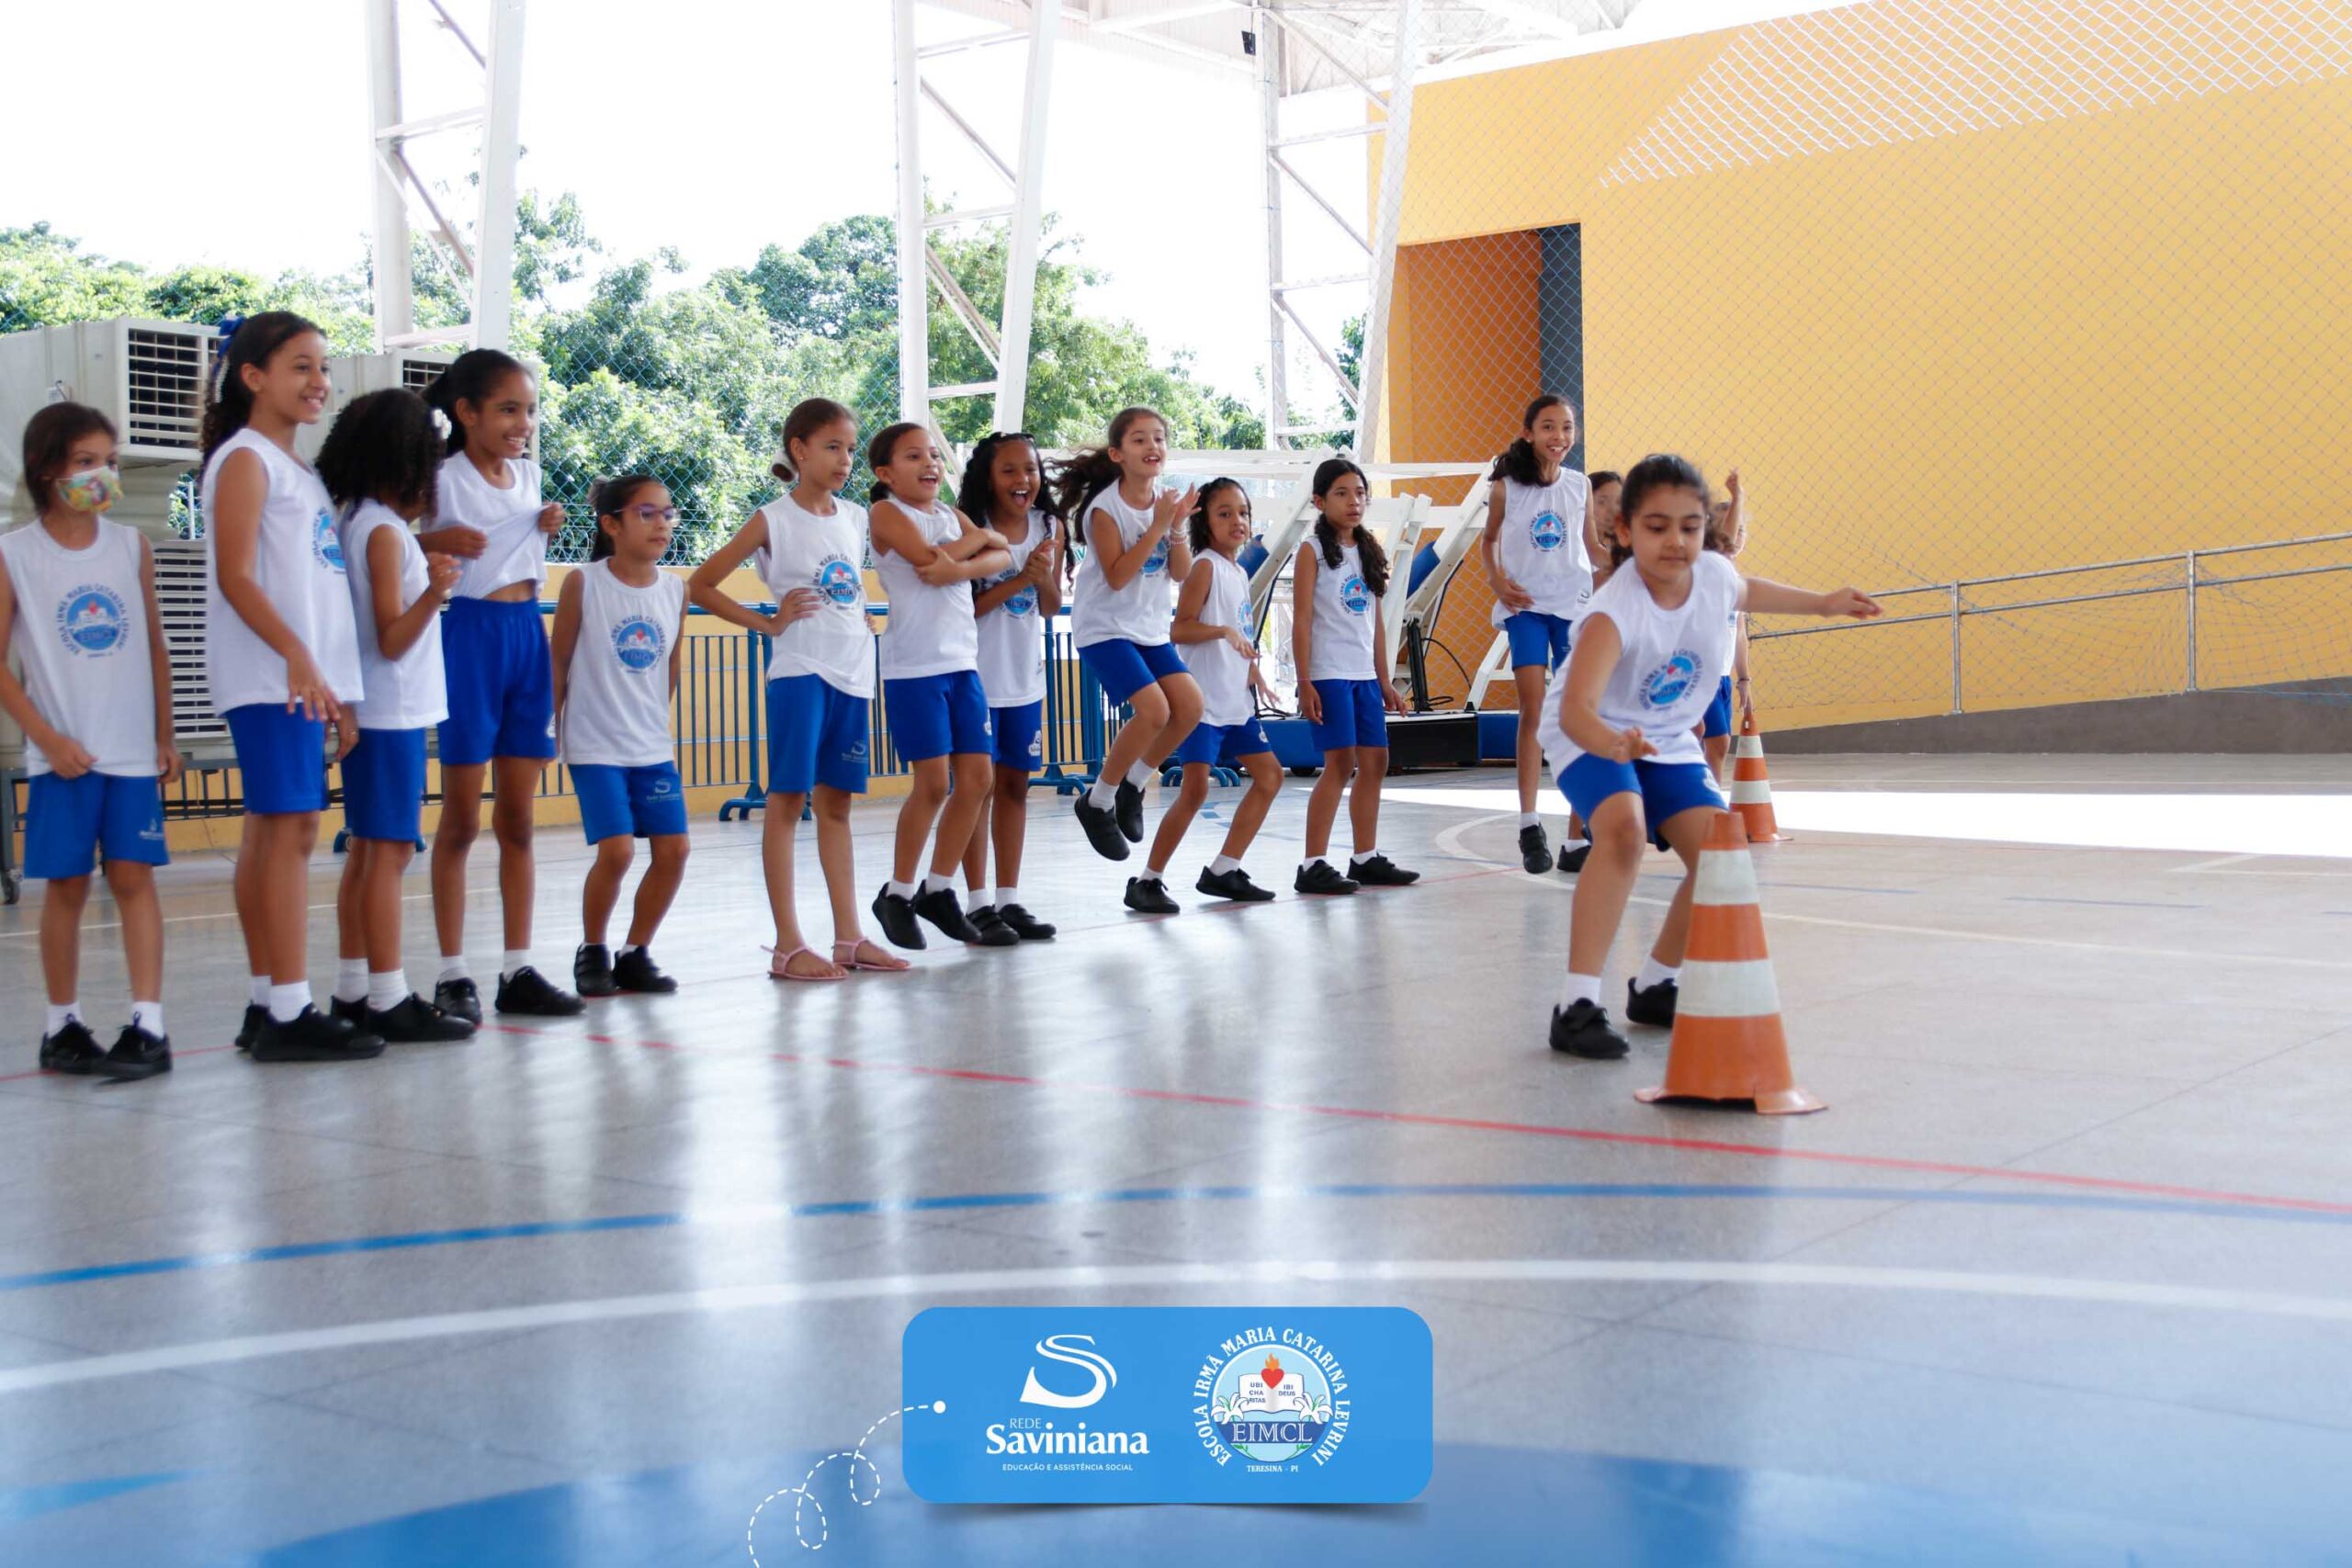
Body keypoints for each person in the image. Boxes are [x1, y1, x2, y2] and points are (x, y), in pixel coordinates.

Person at [1539, 454, 1880, 1059]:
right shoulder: (1614, 611)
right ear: (1625, 531)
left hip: (1665, 736)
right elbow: (1575, 711)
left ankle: (1655, 984)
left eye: (1690, 527)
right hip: (1593, 730)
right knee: (1622, 831)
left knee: (1722, 856)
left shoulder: (1715, 575)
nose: (1676, 541)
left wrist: (1825, 602)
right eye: (1657, 526)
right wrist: (1613, 746)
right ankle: (1577, 1004)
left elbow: (1749, 590)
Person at [199, 312, 381, 1062]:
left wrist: (337, 687)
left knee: (277, 831)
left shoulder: (297, 471)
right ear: (253, 377)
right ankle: (288, 1008)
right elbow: (236, 576)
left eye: (323, 367)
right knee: (289, 832)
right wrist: (298, 659)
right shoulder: (245, 459)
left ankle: (265, 1000)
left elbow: (317, 587)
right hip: (269, 675)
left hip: (302, 678)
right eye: (301, 366)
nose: (319, 381)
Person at [686, 399, 908, 979]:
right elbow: (701, 585)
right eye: (832, 447)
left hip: (854, 673)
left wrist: (860, 615)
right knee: (786, 801)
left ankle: (849, 937)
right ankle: (788, 943)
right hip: (802, 671)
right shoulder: (772, 519)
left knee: (837, 806)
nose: (844, 459)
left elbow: (845, 585)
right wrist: (768, 623)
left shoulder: (856, 517)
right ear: (799, 450)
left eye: (850, 449)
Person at [0, 403, 179, 1079]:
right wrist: (47, 738)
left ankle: (149, 1024)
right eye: (85, 461)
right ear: (46, 468)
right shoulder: (15, 554)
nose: (101, 473)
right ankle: (62, 1025)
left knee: (134, 879)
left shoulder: (131, 547)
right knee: (67, 886)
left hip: (131, 751)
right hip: (64, 758)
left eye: (108, 460)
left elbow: (154, 644)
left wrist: (164, 733)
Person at [419, 349, 581, 1021]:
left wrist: (546, 524)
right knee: (460, 818)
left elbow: (522, 548)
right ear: (467, 412)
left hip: (525, 637)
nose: (523, 423)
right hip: (470, 636)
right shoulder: (441, 479)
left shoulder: (529, 475)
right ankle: (452, 972)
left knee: (518, 817)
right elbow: (395, 545)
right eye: (508, 409)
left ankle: (518, 966)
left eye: (530, 410)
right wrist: (433, 542)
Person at [318, 389, 473, 1043]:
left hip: (379, 710)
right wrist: (435, 592)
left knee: (368, 853)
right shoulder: (383, 532)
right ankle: (386, 994)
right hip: (390, 710)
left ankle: (354, 988)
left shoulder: (360, 520)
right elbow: (391, 637)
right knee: (387, 855)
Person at [863, 423, 1014, 950]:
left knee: (978, 779)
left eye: (933, 454)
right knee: (932, 784)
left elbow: (1003, 556)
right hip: (915, 667)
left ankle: (939, 887)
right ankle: (898, 892)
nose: (929, 463)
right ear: (886, 473)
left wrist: (962, 559)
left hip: (962, 664)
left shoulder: (950, 515)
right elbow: (929, 562)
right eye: (913, 456)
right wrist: (972, 547)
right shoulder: (886, 513)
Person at [551, 475, 690, 997]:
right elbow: (559, 661)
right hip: (595, 746)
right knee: (617, 852)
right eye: (646, 514)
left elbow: (670, 665)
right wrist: (549, 728)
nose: (661, 524)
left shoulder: (675, 590)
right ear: (611, 525)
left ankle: (635, 952)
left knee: (674, 850)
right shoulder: (583, 583)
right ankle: (593, 949)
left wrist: (653, 720)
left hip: (650, 748)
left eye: (667, 514)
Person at [1057, 407, 1202, 862]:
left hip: (1148, 628)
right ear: (1118, 453)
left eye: (1159, 438)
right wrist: (1158, 525)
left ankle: (1133, 785)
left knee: (1190, 707)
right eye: (1140, 439)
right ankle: (1097, 800)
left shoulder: (1164, 502)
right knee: (1154, 710)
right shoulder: (1105, 509)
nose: (1152, 446)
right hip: (1105, 628)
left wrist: (1176, 526)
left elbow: (1181, 573)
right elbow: (1118, 576)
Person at [1136, 479, 1283, 907]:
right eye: (1225, 513)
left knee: (1270, 777)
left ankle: (1225, 868)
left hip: (1236, 703)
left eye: (1243, 512)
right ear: (1205, 521)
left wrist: (1253, 671)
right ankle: (1147, 880)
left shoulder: (1238, 571)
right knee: (1195, 790)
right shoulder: (1204, 566)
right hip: (1203, 705)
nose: (1237, 521)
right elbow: (1180, 628)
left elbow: (1239, 629)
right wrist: (1221, 632)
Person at [1481, 395, 1596, 876]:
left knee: (1578, 714)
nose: (1559, 436)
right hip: (1525, 607)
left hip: (1573, 608)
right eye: (1549, 427)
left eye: (1567, 427)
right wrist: (1497, 580)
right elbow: (1489, 540)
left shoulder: (1579, 485)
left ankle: (1577, 836)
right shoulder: (1506, 488)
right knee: (1533, 706)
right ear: (1528, 433)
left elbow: (1592, 547)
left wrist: (1634, 568)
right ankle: (1530, 823)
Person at [956, 431, 1062, 941]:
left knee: (1016, 786)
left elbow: (1050, 606)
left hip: (1025, 678)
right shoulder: (970, 528)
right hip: (976, 676)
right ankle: (976, 902)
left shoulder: (1049, 525)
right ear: (988, 478)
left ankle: (1008, 898)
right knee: (976, 788)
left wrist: (1041, 576)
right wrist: (1020, 578)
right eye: (1010, 470)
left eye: (1031, 469)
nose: (1024, 479)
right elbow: (968, 608)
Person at [1293, 457, 1416, 895]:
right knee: (1340, 764)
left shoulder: (1368, 550)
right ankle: (1312, 863)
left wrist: (1384, 681)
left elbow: (1375, 624)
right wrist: (1304, 681)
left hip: (1364, 675)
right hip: (1329, 674)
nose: (1353, 502)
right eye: (1342, 493)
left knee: (1377, 761)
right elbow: (1302, 620)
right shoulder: (1311, 552)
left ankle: (1365, 857)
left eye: (1360, 493)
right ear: (1319, 501)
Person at [1699, 471, 1749, 784]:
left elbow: (1739, 633)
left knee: (1719, 745)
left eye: (1741, 528)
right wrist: (1738, 498)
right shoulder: (1707, 569)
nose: (1735, 535)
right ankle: (1708, 802)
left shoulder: (1736, 581)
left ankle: (1709, 797)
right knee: (1715, 742)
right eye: (1730, 527)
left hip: (1722, 675)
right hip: (1699, 672)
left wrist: (1743, 678)